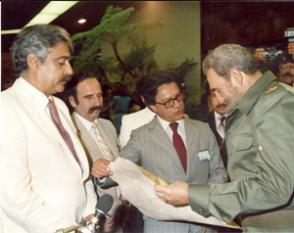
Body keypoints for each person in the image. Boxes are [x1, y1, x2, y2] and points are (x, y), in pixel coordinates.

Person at [154, 44, 294, 232]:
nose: (218, 99)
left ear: (236, 77)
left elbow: (274, 187)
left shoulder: (276, 106)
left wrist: (193, 194)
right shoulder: (255, 107)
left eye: (218, 89)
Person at [92, 70, 228, 233]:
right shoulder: (141, 136)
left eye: (178, 97)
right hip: (163, 226)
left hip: (204, 224)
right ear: (152, 106)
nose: (177, 104)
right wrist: (101, 172)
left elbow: (219, 172)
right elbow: (120, 170)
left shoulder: (202, 130)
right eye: (168, 102)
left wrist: (200, 198)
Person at [1, 24, 96, 233]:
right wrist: (67, 229)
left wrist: (89, 211)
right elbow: (13, 196)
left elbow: (80, 171)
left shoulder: (59, 106)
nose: (70, 70)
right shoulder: (6, 108)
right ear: (34, 62)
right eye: (61, 62)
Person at [66, 73, 125, 233]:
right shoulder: (68, 132)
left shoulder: (107, 125)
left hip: (121, 213)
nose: (97, 103)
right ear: (72, 101)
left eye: (99, 96)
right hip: (95, 218)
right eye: (89, 97)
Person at [204, 87, 229, 168]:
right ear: (209, 99)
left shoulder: (244, 121)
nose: (220, 101)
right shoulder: (202, 124)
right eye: (214, 96)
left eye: (223, 95)